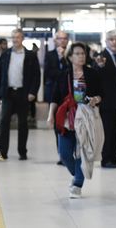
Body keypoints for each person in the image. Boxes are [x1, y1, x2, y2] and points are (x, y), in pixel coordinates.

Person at [47, 42, 102, 198]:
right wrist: (51, 115)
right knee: (64, 153)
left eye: (83, 53)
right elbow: (55, 97)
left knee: (82, 152)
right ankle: (77, 174)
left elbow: (101, 94)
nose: (81, 56)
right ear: (70, 57)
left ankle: (78, 183)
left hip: (86, 118)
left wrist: (95, 99)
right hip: (66, 119)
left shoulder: (92, 74)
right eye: (77, 53)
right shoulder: (63, 75)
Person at [0, 28, 41, 160]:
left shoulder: (30, 55)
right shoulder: (6, 54)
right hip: (7, 93)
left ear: (22, 38)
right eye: (13, 37)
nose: (15, 39)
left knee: (23, 123)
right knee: (3, 122)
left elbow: (36, 76)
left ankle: (22, 152)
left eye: (18, 37)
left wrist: (33, 92)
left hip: (23, 93)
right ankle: (2, 152)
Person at [94, 30, 116, 168]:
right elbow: (97, 74)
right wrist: (99, 66)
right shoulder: (101, 56)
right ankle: (106, 158)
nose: (114, 42)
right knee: (108, 131)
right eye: (111, 40)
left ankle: (114, 157)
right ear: (106, 41)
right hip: (107, 100)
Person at [44, 30, 69, 165]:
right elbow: (49, 73)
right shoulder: (50, 55)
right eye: (60, 38)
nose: (62, 41)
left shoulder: (71, 55)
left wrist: (64, 58)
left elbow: (71, 71)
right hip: (54, 94)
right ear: (55, 40)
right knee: (57, 125)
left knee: (69, 123)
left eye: (65, 38)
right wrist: (60, 59)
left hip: (69, 94)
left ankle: (69, 152)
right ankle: (61, 154)